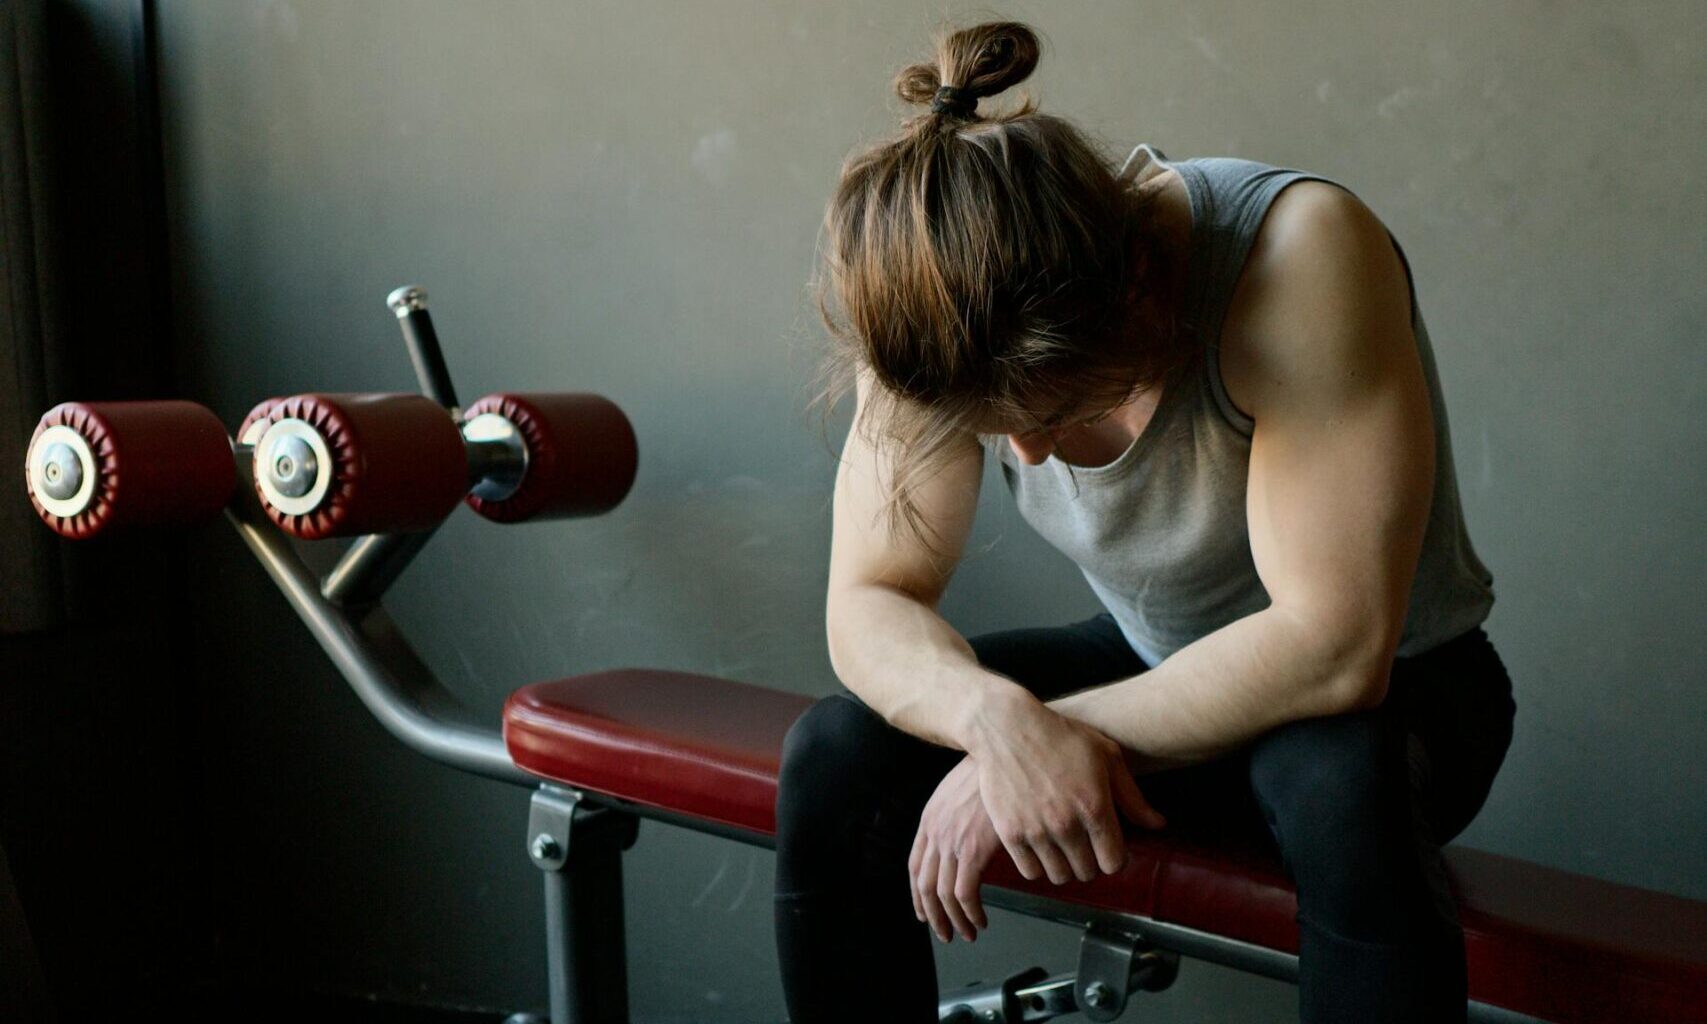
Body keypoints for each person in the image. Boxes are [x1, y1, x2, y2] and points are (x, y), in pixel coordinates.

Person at [773, 20, 1517, 1024]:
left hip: (1399, 698)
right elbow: (870, 598)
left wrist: (1040, 744)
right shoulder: (934, 295)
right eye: (1001, 434)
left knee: (1338, 780)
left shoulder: (1295, 255)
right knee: (836, 756)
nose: (1027, 458)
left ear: (1136, 290)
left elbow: (1335, 647)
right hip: (1149, 664)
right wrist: (995, 723)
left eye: (1054, 416)